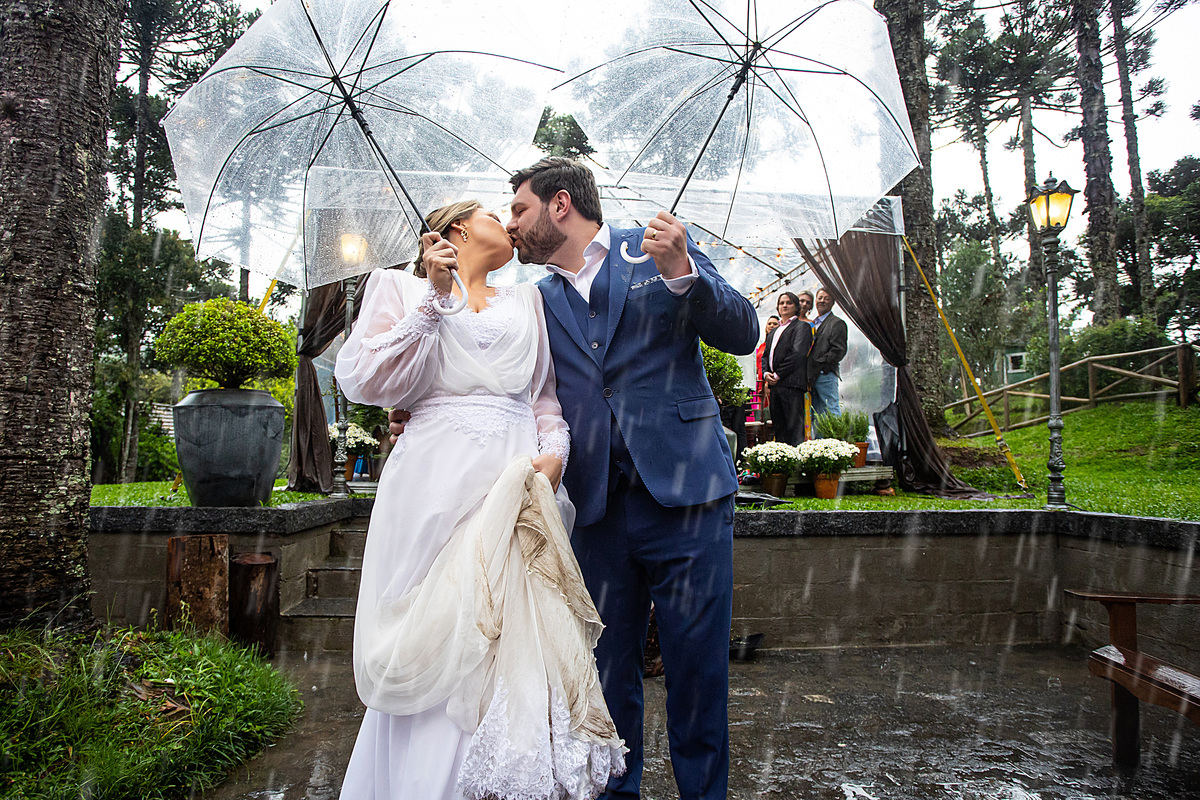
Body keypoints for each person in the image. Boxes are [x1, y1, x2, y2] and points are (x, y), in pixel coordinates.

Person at [336, 200, 624, 800]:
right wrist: (433, 300)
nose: (511, 224)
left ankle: (500, 778)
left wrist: (556, 451)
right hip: (433, 480)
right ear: (461, 229)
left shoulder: (529, 301)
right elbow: (367, 380)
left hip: (516, 481)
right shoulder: (396, 287)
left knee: (509, 631)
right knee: (439, 622)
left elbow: (544, 398)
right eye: (498, 213)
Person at [502, 157, 759, 800]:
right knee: (607, 678)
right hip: (598, 510)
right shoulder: (537, 298)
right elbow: (522, 391)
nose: (512, 225)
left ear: (560, 205)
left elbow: (743, 331)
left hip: (689, 498)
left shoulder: (655, 246)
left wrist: (683, 273)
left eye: (520, 210)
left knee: (696, 674)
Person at [761, 291, 812, 446]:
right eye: (781, 303)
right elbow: (765, 355)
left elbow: (797, 355)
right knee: (779, 428)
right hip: (775, 387)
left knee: (794, 428)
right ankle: (783, 466)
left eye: (789, 303)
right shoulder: (774, 331)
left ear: (796, 307)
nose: (784, 305)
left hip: (791, 385)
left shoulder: (802, 327)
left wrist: (777, 375)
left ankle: (796, 466)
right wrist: (765, 374)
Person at [808, 287, 849, 436]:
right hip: (812, 376)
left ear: (833, 303)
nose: (822, 301)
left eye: (826, 298)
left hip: (825, 374)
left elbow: (839, 350)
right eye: (820, 298)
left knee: (831, 409)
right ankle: (822, 446)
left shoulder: (837, 323)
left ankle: (837, 444)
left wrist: (822, 365)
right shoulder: (813, 323)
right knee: (817, 413)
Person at [755, 314, 780, 410]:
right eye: (769, 323)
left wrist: (767, 384)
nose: (771, 326)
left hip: (771, 382)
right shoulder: (762, 346)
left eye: (775, 324)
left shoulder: (777, 345)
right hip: (760, 382)